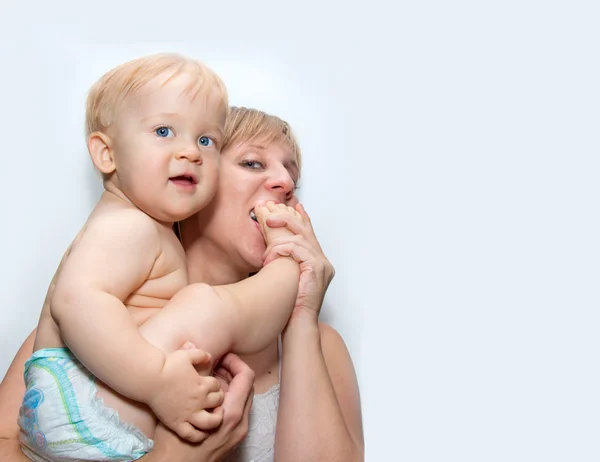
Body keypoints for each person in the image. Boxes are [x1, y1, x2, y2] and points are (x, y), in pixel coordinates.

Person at [0, 106, 364, 461]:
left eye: (292, 176)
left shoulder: (323, 346)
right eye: (252, 163)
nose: (285, 183)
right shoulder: (91, 328)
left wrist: (300, 311)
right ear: (191, 180)